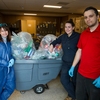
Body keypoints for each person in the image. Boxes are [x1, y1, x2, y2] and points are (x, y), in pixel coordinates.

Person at [69, 6, 100, 100]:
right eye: (86, 17)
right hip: (81, 74)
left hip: (95, 77)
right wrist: (73, 66)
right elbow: (79, 50)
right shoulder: (83, 33)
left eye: (91, 16)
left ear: (97, 16)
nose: (88, 19)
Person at [49, 20, 80, 100]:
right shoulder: (63, 36)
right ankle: (75, 96)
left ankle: (71, 95)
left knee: (74, 81)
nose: (67, 29)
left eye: (69, 27)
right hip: (65, 62)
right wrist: (52, 45)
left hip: (75, 63)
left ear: (73, 27)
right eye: (66, 27)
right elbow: (56, 41)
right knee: (64, 80)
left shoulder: (78, 36)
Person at [0, 23, 15, 100]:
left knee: (11, 86)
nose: (4, 32)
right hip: (1, 69)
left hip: (9, 69)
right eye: (2, 31)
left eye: (6, 30)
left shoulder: (9, 42)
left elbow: (10, 54)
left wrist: (12, 59)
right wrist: (6, 63)